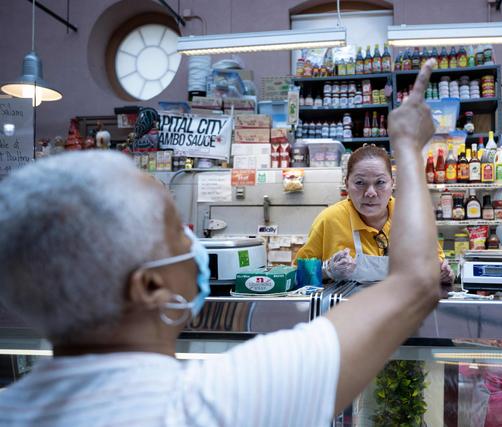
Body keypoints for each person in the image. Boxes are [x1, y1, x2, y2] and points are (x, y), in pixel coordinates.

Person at [0, 60, 441, 426]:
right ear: (150, 287)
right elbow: (415, 285)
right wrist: (406, 144)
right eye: (176, 228)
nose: (194, 239)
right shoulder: (218, 403)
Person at [295, 145, 453, 284]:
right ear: (346, 184)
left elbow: (439, 268)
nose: (370, 193)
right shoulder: (329, 220)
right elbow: (296, 276)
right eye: (360, 183)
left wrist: (443, 275)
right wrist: (326, 271)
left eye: (380, 182)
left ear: (393, 183)